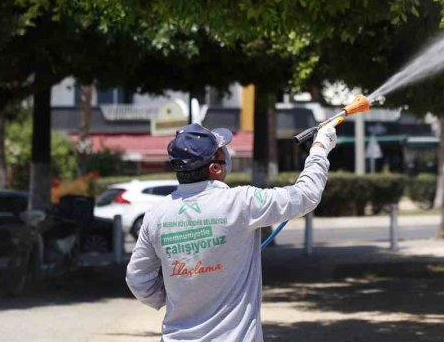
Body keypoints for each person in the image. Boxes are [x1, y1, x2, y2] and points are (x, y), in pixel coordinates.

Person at [125, 121, 336, 341]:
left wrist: (174, 298)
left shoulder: (156, 214)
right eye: (222, 152)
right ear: (215, 168)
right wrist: (320, 147)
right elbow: (305, 195)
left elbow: (137, 278)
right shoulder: (241, 202)